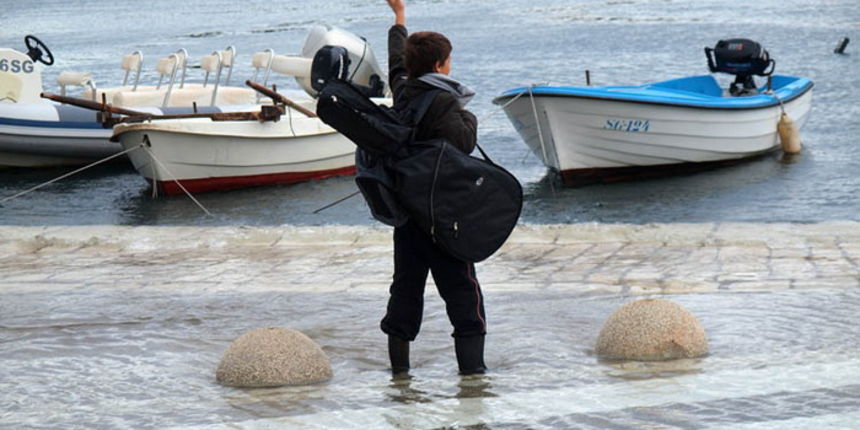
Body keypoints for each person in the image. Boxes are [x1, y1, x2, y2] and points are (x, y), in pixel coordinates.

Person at [380, 0, 486, 376]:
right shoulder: (445, 101)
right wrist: (467, 112)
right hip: (442, 218)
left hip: (407, 214)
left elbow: (395, 61)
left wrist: (399, 18)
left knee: (405, 291)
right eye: (449, 60)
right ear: (441, 65)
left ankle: (400, 376)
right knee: (463, 293)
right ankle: (473, 379)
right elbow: (464, 142)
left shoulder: (402, 90)